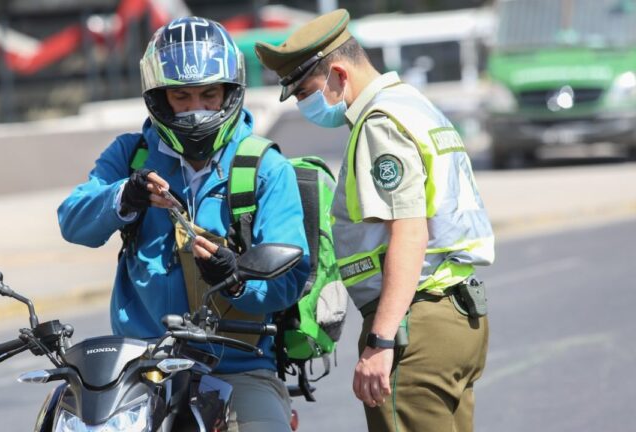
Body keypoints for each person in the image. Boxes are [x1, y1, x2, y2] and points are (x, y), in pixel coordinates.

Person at [58, 16, 309, 432]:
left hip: (237, 365)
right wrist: (124, 195)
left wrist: (235, 277)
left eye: (209, 94)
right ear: (159, 99)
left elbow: (289, 279)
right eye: (182, 96)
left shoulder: (265, 167)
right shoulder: (131, 154)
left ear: (230, 93)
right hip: (140, 365)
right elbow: (73, 220)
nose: (196, 108)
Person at [255, 9, 495, 432]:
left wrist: (381, 340)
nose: (300, 103)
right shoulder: (415, 106)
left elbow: (409, 230)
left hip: (414, 323)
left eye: (304, 90)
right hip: (459, 314)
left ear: (338, 74)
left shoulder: (378, 124)